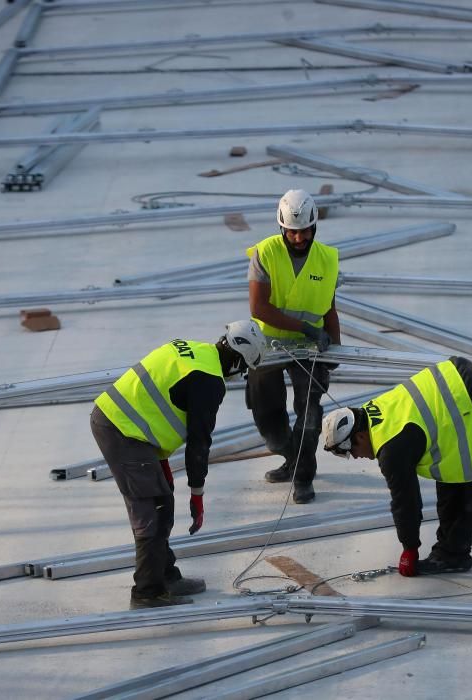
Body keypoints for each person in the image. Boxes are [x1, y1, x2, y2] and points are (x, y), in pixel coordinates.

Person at [322, 356, 472, 594]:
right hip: (465, 391)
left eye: (351, 451)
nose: (357, 457)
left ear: (360, 436)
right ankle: (452, 554)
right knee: (451, 472)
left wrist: (410, 549)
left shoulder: (391, 447)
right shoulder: (375, 413)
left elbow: (406, 503)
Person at [90, 320, 266, 609]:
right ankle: (147, 592)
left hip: (124, 425)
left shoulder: (193, 350)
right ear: (236, 359)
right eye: (244, 367)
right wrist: (197, 494)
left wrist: (160, 462)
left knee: (161, 502)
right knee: (154, 509)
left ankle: (166, 575)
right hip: (123, 431)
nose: (242, 374)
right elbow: (199, 443)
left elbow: (156, 398)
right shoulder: (209, 381)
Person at [246, 189, 341, 504]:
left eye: (305, 231)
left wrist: (335, 346)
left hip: (310, 348)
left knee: (309, 414)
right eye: (292, 231)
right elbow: (259, 308)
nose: (299, 237)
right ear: (281, 228)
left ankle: (303, 476)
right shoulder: (265, 253)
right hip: (270, 343)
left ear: (315, 227)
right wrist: (305, 328)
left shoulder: (326, 258)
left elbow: (329, 306)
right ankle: (288, 454)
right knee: (264, 411)